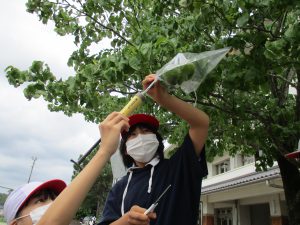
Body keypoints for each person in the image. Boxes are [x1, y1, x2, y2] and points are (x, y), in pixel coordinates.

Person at [4, 111, 156, 225]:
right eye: (40, 201)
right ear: (15, 223)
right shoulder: (120, 187)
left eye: (55, 199)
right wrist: (104, 151)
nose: (54, 205)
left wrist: (126, 220)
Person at [99, 74, 209, 225]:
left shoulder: (179, 167)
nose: (140, 137)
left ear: (157, 140)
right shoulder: (119, 187)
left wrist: (163, 98)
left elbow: (201, 124)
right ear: (125, 149)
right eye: (133, 135)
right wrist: (126, 221)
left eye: (145, 132)